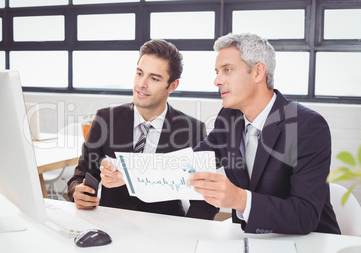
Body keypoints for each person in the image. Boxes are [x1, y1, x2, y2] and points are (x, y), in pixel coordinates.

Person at [187, 32, 340, 234]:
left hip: (309, 244)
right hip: (249, 240)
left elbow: (305, 215)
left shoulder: (307, 126)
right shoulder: (229, 117)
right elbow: (193, 161)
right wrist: (137, 170)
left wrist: (239, 199)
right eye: (217, 71)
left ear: (258, 72)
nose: (216, 80)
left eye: (227, 70)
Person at [67, 39, 218, 220]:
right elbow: (80, 176)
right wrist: (78, 192)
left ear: (172, 85)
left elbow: (206, 200)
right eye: (139, 73)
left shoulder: (192, 129)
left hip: (165, 229)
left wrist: (186, 230)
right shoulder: (105, 120)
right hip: (112, 224)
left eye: (154, 78)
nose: (142, 84)